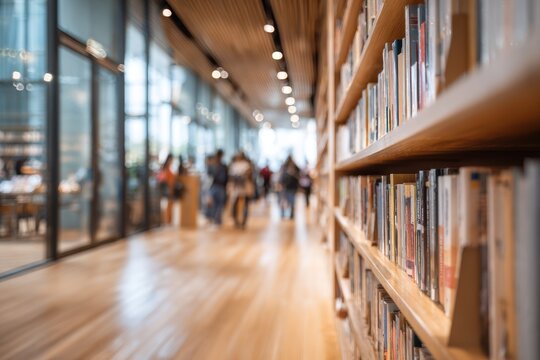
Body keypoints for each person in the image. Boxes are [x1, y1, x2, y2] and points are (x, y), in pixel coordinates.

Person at [229, 151, 253, 229]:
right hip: (236, 186)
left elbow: (249, 174)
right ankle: (236, 220)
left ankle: (243, 221)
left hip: (245, 185)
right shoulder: (234, 165)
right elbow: (231, 176)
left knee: (246, 204)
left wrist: (243, 176)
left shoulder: (246, 165)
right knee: (234, 203)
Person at [207, 150, 228, 226]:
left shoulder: (215, 165)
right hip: (219, 187)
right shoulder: (222, 166)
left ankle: (216, 220)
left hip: (215, 187)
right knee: (219, 205)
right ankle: (217, 220)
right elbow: (225, 178)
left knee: (216, 204)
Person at [157, 154, 175, 224]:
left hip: (169, 188)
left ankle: (169, 220)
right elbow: (164, 179)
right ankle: (167, 220)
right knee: (168, 204)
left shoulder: (168, 168)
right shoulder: (166, 169)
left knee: (169, 204)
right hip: (168, 188)